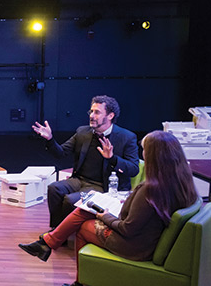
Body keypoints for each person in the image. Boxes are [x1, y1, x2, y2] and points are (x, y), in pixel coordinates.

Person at [18, 130, 198, 286]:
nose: (143, 155)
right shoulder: (182, 182)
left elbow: (128, 228)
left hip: (135, 246)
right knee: (86, 210)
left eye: (145, 151)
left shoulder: (149, 189)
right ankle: (49, 244)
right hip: (149, 239)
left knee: (82, 224)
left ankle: (77, 280)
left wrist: (105, 216)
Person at [32, 95, 140, 228]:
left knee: (70, 200)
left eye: (97, 112)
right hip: (79, 180)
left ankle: (61, 233)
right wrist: (50, 139)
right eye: (91, 111)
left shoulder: (126, 137)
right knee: (54, 188)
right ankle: (56, 230)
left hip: (103, 185)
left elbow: (134, 169)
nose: (92, 115)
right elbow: (61, 153)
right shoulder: (83, 132)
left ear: (110, 116)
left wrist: (112, 158)